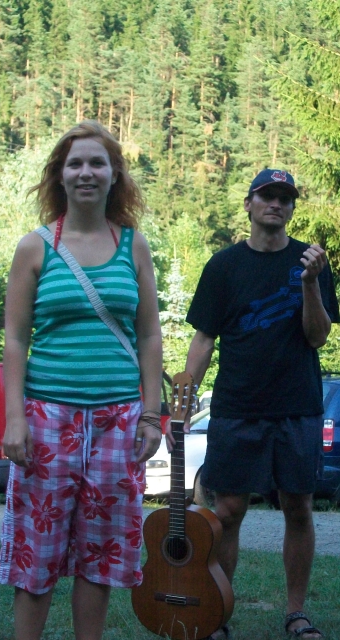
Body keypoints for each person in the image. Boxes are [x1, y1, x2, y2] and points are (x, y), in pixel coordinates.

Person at [0, 120, 163, 640]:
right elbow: (15, 339)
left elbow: (149, 335)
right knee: (37, 551)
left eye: (97, 163)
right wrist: (15, 419)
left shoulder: (133, 246)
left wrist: (151, 415)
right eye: (75, 163)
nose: (86, 172)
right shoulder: (35, 247)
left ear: (114, 175)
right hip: (47, 418)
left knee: (101, 554)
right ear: (60, 175)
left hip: (118, 421)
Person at [167, 169, 339, 639]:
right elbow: (203, 339)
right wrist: (183, 402)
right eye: (267, 195)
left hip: (298, 406)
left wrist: (309, 283)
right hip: (237, 406)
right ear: (248, 203)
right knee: (227, 512)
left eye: (285, 198)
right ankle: (219, 614)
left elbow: (317, 336)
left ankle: (296, 613)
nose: (276, 204)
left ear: (292, 208)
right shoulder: (223, 266)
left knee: (299, 508)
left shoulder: (313, 263)